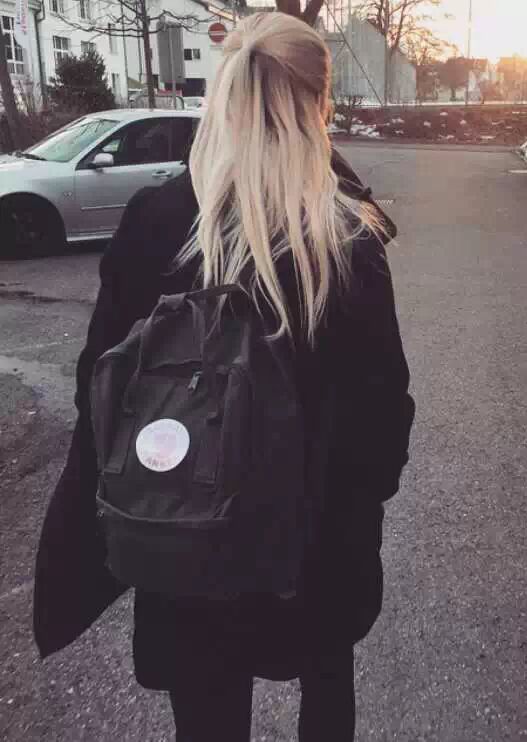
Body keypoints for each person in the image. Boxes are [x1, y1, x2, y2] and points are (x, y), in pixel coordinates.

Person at [33, 12, 415, 742]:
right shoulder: (344, 236)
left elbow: (98, 385)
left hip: (186, 531)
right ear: (319, 103)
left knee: (206, 711)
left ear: (224, 95)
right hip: (314, 542)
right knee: (326, 691)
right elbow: (381, 411)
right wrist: (360, 499)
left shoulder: (156, 219)